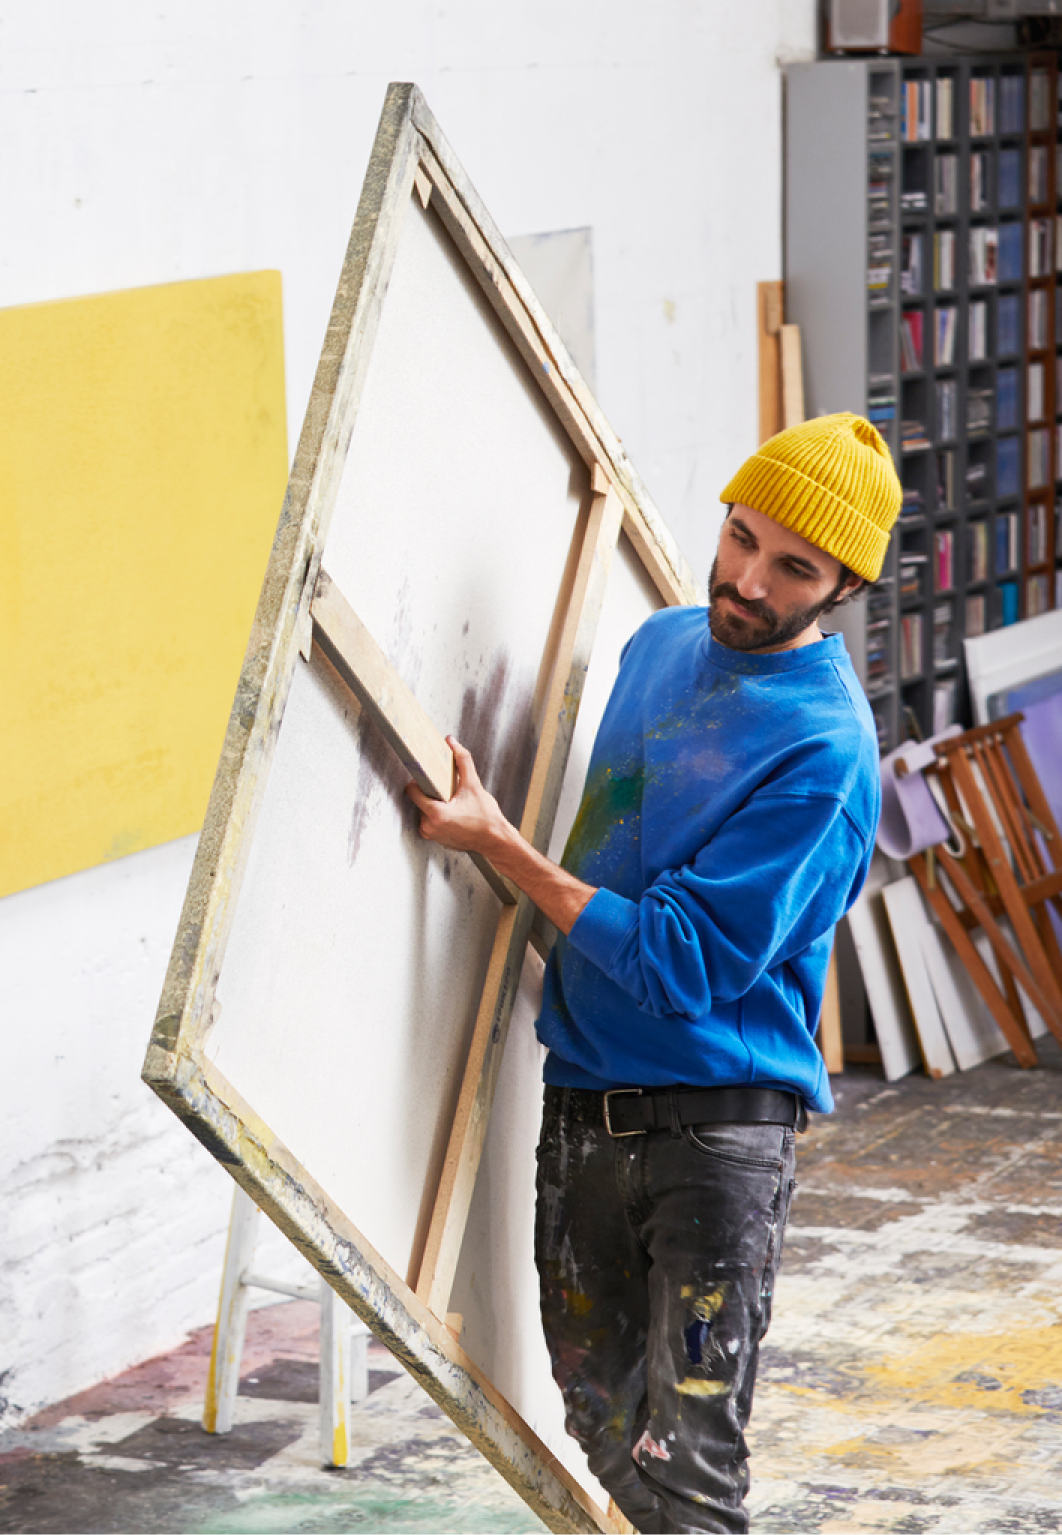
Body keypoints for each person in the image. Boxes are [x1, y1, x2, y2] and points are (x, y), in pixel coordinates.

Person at [407, 413, 901, 1534]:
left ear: (841, 590)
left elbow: (681, 959)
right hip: (585, 1101)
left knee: (688, 1473)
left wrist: (496, 845)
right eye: (741, 537)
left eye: (793, 567)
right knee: (592, 1415)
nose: (748, 578)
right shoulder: (659, 647)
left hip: (715, 1143)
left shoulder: (824, 752)